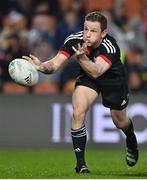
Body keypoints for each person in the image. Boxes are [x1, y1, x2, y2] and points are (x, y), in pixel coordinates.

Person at [23, 11, 139, 174]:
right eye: (86, 29)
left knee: (120, 121)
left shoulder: (110, 47)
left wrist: (82, 59)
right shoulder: (74, 40)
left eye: (93, 31)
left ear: (104, 33)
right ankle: (81, 165)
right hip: (88, 77)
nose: (87, 35)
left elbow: (97, 71)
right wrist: (41, 66)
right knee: (78, 112)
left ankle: (131, 139)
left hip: (112, 79)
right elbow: (55, 65)